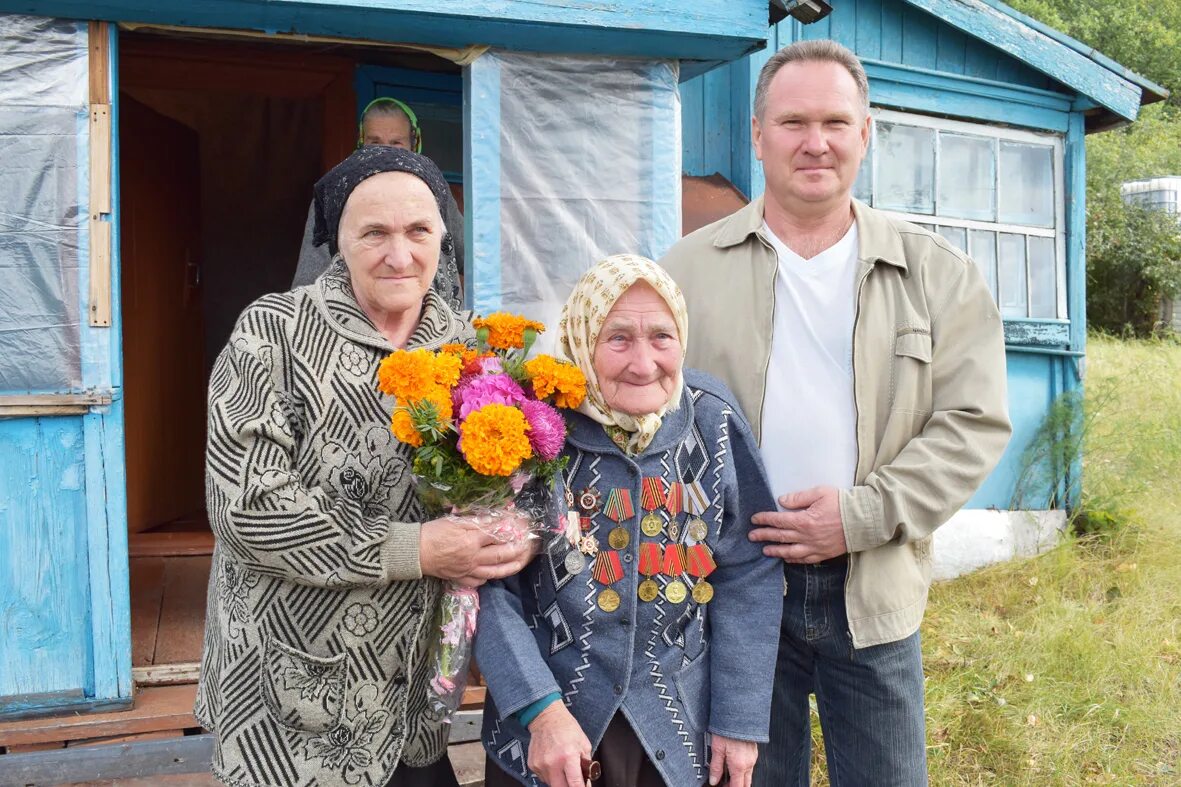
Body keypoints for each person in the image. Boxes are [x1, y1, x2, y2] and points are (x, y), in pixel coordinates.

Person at [660, 40, 1012, 786]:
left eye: (833, 121)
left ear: (865, 133)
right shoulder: (682, 271)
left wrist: (855, 515)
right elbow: (645, 414)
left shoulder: (936, 274)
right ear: (756, 135)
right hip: (732, 591)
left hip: (871, 586)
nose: (814, 142)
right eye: (791, 122)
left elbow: (971, 423)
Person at [195, 146, 533, 787]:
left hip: (414, 698)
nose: (399, 255)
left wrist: (511, 537)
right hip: (291, 694)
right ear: (337, 241)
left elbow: (514, 485)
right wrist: (416, 549)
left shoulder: (473, 348)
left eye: (418, 231)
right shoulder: (273, 335)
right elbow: (248, 507)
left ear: (442, 238)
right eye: (373, 233)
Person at [475, 255, 784, 787]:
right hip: (548, 729)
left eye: (662, 337)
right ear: (581, 338)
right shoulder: (532, 427)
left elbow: (748, 568)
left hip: (678, 726)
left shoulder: (712, 420)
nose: (644, 364)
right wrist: (540, 712)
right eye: (618, 338)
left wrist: (738, 719)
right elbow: (487, 583)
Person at [292, 97, 465, 309]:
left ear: (415, 143)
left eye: (396, 144)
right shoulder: (338, 191)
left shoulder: (435, 190)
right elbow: (310, 275)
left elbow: (470, 255)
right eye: (375, 143)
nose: (386, 153)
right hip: (357, 324)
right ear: (361, 143)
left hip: (434, 324)